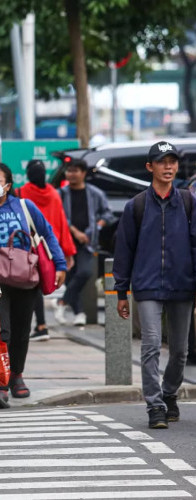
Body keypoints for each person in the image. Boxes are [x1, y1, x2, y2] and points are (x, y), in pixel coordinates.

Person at [0, 163, 67, 410]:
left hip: (26, 277)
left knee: (22, 332)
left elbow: (47, 234)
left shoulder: (24, 206)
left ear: (8, 185)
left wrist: (60, 263)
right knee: (1, 332)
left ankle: (17, 376)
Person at [113, 141, 196, 429]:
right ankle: (155, 405)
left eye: (172, 161)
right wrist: (121, 291)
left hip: (182, 285)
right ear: (150, 167)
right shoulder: (136, 205)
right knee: (150, 345)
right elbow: (123, 251)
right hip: (147, 285)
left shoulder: (188, 201)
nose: (169, 167)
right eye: (162, 162)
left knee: (181, 350)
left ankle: (170, 392)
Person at [16, 160, 77, 341]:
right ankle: (40, 325)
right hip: (50, 248)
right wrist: (67, 252)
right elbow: (61, 223)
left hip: (28, 248)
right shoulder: (54, 194)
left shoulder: (21, 193)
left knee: (33, 288)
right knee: (41, 286)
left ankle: (40, 325)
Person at [56, 158, 114, 326]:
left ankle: (62, 302)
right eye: (69, 171)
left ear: (83, 173)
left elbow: (107, 214)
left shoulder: (95, 193)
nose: (71, 174)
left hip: (88, 242)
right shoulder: (61, 194)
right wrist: (75, 231)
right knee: (69, 277)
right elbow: (58, 216)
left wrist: (97, 226)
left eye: (75, 171)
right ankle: (79, 313)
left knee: (85, 272)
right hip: (65, 242)